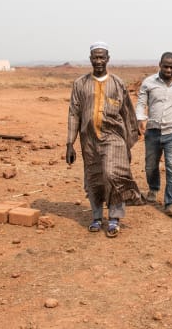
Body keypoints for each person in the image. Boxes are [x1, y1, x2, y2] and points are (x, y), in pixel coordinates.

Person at [65, 41, 143, 238]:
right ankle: (97, 216)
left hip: (114, 138)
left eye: (102, 57)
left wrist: (128, 143)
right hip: (88, 139)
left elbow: (127, 113)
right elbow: (74, 113)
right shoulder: (80, 84)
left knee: (112, 174)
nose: (98, 61)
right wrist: (70, 143)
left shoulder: (117, 83)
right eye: (95, 57)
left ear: (108, 58)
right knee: (94, 179)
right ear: (90, 59)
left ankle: (115, 218)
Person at [136, 52, 172, 218]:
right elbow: (141, 103)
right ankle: (153, 189)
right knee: (151, 166)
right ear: (160, 64)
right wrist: (140, 120)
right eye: (165, 66)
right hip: (153, 131)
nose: (168, 69)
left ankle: (171, 203)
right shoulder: (148, 83)